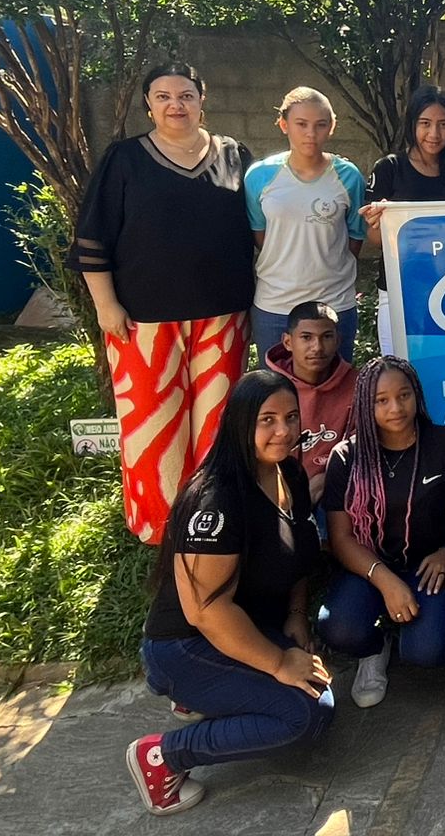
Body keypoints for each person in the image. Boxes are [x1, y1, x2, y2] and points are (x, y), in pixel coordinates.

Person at [128, 370, 333, 816]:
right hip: (185, 645)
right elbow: (206, 611)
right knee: (305, 715)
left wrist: (296, 614)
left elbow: (299, 552)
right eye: (267, 420)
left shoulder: (290, 473)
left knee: (319, 690)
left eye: (291, 417)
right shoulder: (215, 500)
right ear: (241, 423)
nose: (283, 431)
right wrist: (278, 662)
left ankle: (212, 696)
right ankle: (164, 756)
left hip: (245, 628)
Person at [70, 63, 255, 545]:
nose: (176, 105)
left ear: (202, 100)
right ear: (148, 104)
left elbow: (259, 227)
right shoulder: (124, 159)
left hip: (223, 316)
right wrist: (106, 305)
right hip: (144, 320)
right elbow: (92, 239)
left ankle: (213, 517)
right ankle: (162, 527)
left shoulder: (233, 155)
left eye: (186, 95)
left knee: (219, 423)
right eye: (163, 96)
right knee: (154, 426)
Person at [317, 357, 445, 708]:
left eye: (403, 395)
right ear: (364, 405)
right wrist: (386, 582)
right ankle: (374, 647)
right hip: (370, 565)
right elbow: (341, 538)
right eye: (381, 400)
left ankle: (419, 625)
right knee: (337, 629)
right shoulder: (347, 457)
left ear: (417, 394)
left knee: (428, 651)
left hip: (432, 564)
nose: (395, 408)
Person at [244, 87, 364, 368]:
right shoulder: (259, 176)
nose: (311, 133)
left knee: (335, 389)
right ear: (283, 124)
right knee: (275, 389)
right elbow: (260, 235)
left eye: (320, 125)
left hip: (335, 304)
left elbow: (354, 237)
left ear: (331, 127)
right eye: (301, 124)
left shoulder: (348, 176)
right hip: (276, 306)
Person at [361, 86, 445, 356]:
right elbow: (375, 239)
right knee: (399, 369)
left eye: (443, 124)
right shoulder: (389, 168)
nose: (434, 134)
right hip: (399, 292)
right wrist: (381, 222)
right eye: (425, 123)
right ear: (412, 124)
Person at [262, 300, 356, 507]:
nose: (317, 347)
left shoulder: (358, 385)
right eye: (306, 337)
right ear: (288, 342)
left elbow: (366, 448)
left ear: (338, 340)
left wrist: (327, 477)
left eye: (327, 337)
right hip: (277, 492)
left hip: (339, 489)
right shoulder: (265, 390)